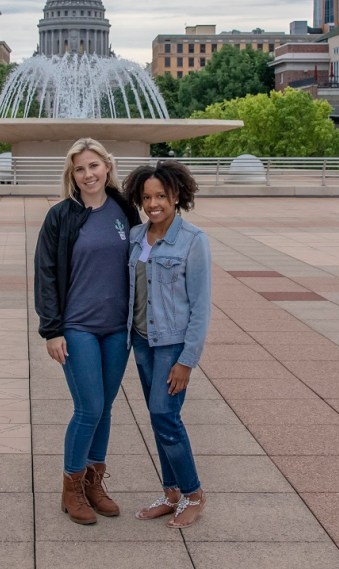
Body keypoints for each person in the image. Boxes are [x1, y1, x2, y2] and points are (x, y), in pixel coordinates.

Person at [34, 138, 141, 526]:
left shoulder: (126, 210)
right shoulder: (61, 216)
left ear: (107, 168)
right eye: (80, 169)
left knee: (106, 408)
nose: (88, 174)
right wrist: (52, 330)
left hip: (117, 329)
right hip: (76, 326)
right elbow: (45, 274)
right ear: (72, 175)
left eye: (94, 166)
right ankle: (72, 488)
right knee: (89, 407)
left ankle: (95, 483)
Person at [122, 160, 211, 529]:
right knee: (159, 419)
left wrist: (187, 360)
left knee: (165, 416)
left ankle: (193, 494)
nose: (153, 203)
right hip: (142, 342)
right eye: (147, 197)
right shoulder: (136, 237)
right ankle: (171, 492)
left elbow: (201, 307)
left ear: (177, 195)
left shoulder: (193, 240)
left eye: (161, 195)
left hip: (172, 346)